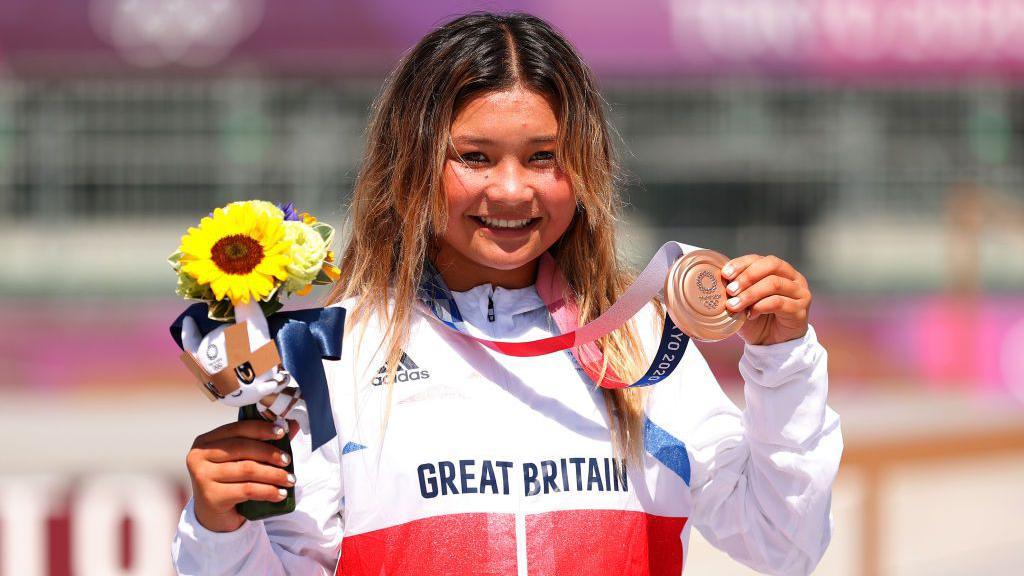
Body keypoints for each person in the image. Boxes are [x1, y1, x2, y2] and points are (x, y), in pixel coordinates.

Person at [172, 12, 841, 576]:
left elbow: (783, 542)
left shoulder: (643, 349)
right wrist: (221, 528)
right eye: (477, 157)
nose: (514, 190)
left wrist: (784, 365)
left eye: (543, 156)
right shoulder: (333, 356)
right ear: (411, 164)